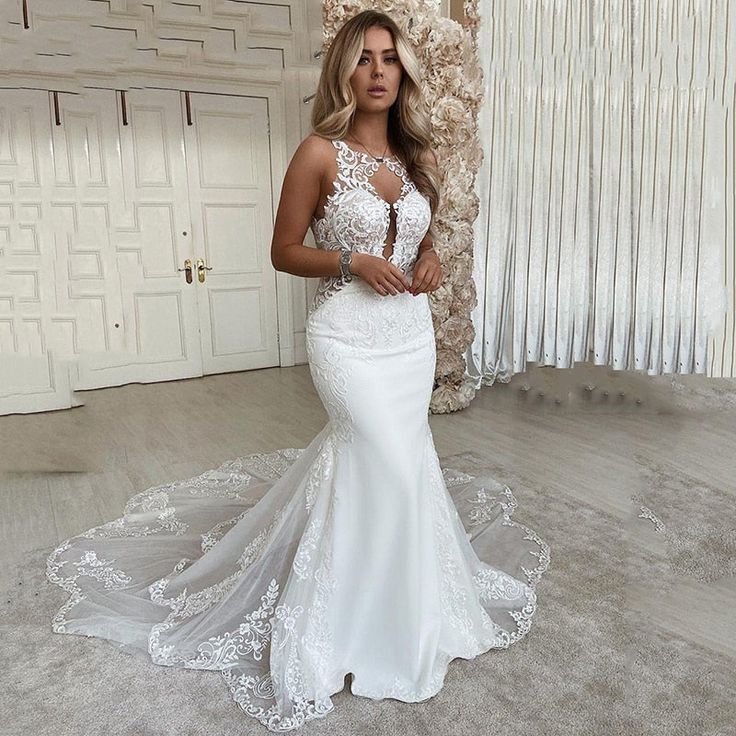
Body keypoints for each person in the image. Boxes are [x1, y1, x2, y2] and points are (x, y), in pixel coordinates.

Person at [46, 9, 550, 733]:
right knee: (382, 458)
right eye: (364, 58)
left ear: (403, 71)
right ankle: (343, 627)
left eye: (389, 59)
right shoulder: (318, 152)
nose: (378, 71)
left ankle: (409, 609)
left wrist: (429, 258)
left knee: (401, 466)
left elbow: (424, 234)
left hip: (407, 336)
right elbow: (284, 251)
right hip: (346, 335)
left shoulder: (420, 160)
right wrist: (352, 261)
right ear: (343, 71)